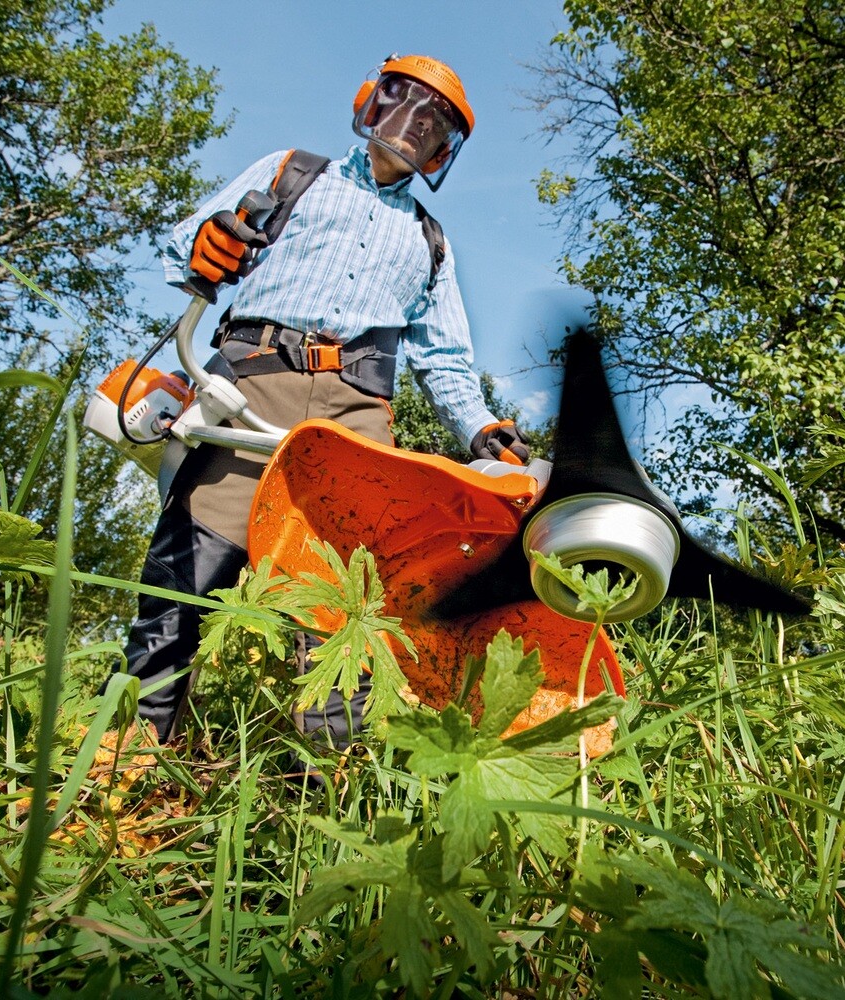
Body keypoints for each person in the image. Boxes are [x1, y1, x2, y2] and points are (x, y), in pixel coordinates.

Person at [114, 54, 530, 747]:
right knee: (188, 572)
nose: (412, 128)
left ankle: (324, 786)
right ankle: (127, 755)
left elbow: (447, 359)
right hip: (251, 383)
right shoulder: (293, 174)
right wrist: (208, 243)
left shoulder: (430, 242)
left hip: (355, 417)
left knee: (346, 603)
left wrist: (482, 426)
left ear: (442, 152)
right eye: (402, 107)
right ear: (372, 104)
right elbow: (184, 243)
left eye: (431, 126)